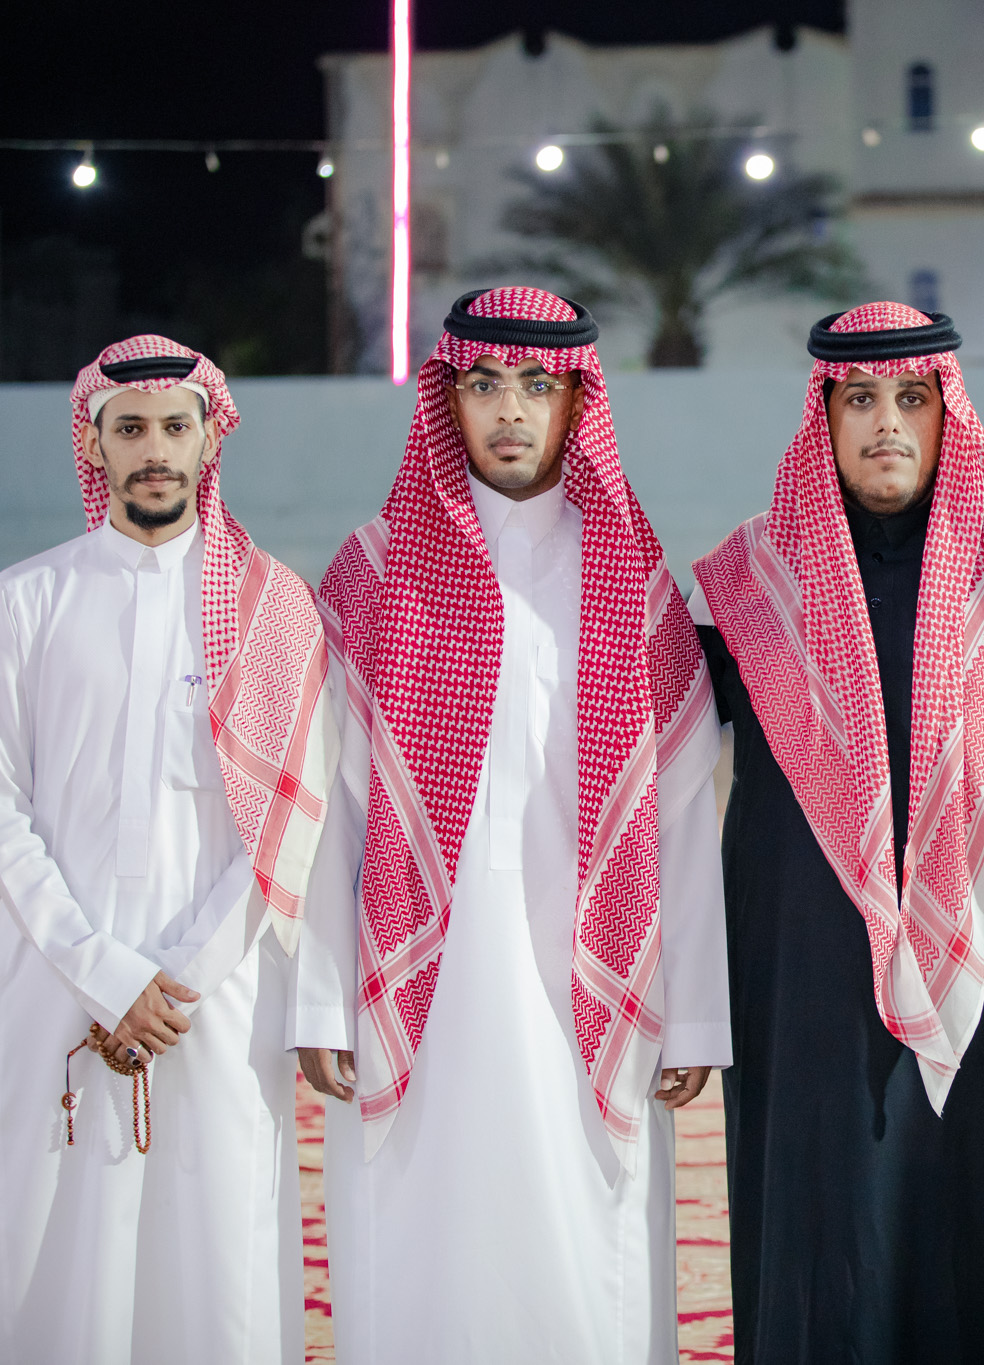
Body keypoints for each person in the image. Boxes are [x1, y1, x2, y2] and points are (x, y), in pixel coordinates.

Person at [292, 287, 728, 1362]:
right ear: (449, 400)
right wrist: (322, 999)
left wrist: (693, 1016)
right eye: (484, 384)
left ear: (579, 403)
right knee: (418, 1240)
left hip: (590, 975)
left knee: (584, 1251)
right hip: (418, 984)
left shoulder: (632, 579)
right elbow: (330, 809)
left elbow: (681, 817)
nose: (511, 410)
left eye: (538, 385)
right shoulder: (376, 571)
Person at [692, 302, 984, 1363]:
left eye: (911, 399)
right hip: (802, 965)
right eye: (860, 399)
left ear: (945, 414)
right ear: (824, 417)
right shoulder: (751, 582)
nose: (886, 422)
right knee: (822, 1222)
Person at [0, 336, 333, 1364]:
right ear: (92, 444)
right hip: (53, 977)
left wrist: (178, 977)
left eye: (175, 428)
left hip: (214, 995)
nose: (155, 450)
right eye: (131, 428)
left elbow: (290, 818)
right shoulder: (26, 600)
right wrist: (103, 973)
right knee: (53, 1246)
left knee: (216, 1252)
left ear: (208, 440)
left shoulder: (275, 609)